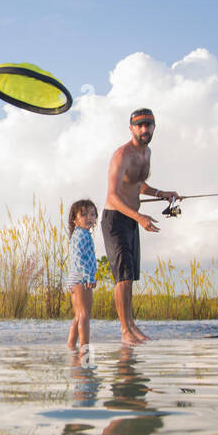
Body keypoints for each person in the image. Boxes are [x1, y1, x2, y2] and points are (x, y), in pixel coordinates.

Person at [102, 108, 179, 345]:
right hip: (116, 218)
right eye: (140, 126)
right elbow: (113, 196)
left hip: (132, 220)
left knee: (130, 278)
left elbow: (137, 184)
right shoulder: (121, 155)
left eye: (149, 125)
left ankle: (132, 326)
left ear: (154, 127)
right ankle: (125, 330)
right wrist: (139, 217)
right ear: (131, 128)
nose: (144, 129)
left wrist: (161, 193)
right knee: (122, 277)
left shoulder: (147, 153)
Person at [65, 199, 98, 351]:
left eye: (92, 214)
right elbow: (79, 257)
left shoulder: (79, 234)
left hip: (75, 277)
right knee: (85, 314)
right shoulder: (82, 235)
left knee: (78, 315)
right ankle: (85, 348)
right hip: (81, 278)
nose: (89, 218)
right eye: (84, 215)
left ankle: (71, 345)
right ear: (75, 220)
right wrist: (88, 277)